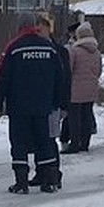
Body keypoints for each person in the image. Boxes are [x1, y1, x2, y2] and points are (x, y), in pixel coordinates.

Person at [0, 12, 66, 194]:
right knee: (44, 142)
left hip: (19, 107)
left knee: (19, 143)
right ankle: (48, 181)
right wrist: (59, 102)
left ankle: (21, 182)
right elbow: (59, 77)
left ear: (19, 27)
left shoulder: (14, 48)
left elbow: (3, 78)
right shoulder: (49, 48)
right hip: (43, 106)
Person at [31, 13, 71, 187]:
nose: (38, 33)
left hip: (53, 103)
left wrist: (64, 104)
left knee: (49, 138)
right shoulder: (34, 50)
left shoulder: (59, 51)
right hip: (37, 102)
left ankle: (54, 173)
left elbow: (65, 79)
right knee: (38, 138)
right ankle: (41, 172)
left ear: (48, 29)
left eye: (40, 29)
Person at [64, 21, 102, 154]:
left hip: (75, 89)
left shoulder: (74, 51)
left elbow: (69, 69)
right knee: (87, 115)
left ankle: (74, 143)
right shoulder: (97, 52)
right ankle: (85, 143)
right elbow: (99, 71)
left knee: (74, 117)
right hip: (91, 88)